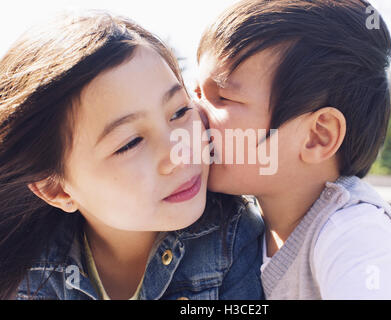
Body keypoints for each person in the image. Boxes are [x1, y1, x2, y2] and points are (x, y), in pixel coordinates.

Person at [0, 10, 264, 300]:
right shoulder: (32, 273)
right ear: (57, 189)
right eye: (130, 143)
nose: (180, 154)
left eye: (179, 112)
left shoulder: (234, 237)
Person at [195, 0, 391, 299]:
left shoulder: (355, 235)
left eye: (222, 97)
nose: (194, 112)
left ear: (318, 137)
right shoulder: (240, 229)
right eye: (195, 92)